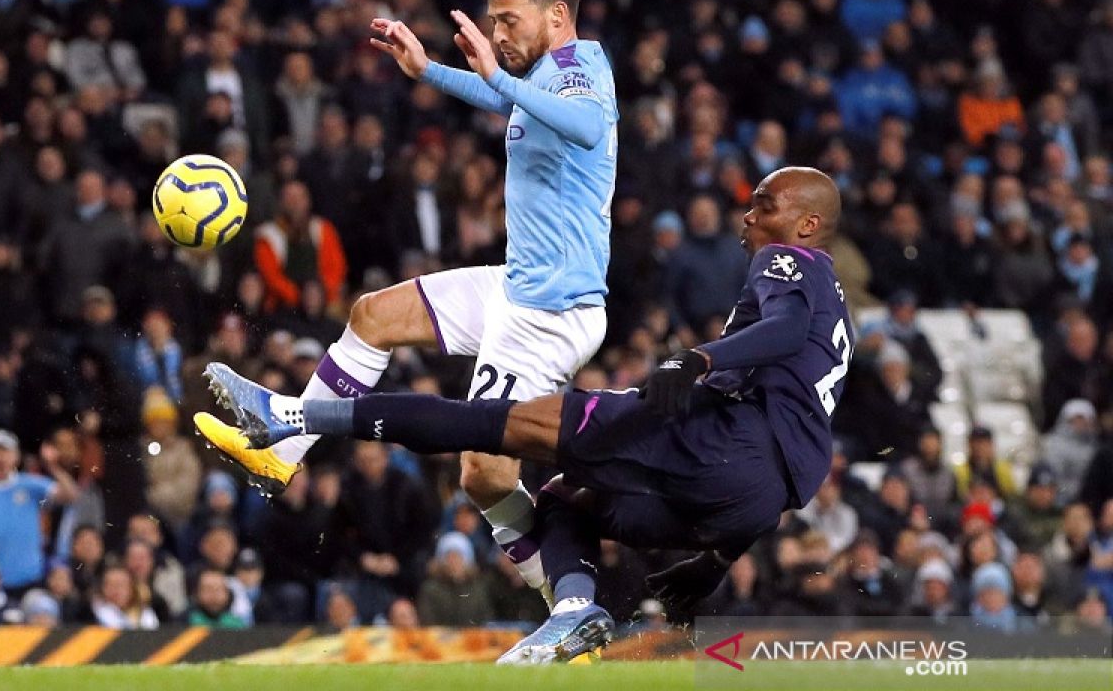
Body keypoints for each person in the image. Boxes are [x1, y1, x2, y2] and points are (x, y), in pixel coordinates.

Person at [206, 167, 850, 663]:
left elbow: (785, 327)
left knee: (498, 425)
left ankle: (291, 415)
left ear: (807, 225)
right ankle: (574, 608)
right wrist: (713, 562)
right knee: (566, 498)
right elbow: (790, 440)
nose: (749, 213)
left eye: (765, 204)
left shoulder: (790, 263)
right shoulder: (839, 314)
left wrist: (698, 361)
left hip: (717, 442)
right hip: (750, 503)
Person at [197, 0, 618, 607]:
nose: (499, 33)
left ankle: (568, 601)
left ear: (558, 16)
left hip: (552, 312)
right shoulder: (539, 78)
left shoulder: (582, 63)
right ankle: (281, 451)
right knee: (374, 316)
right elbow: (506, 100)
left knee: (481, 472)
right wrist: (430, 72)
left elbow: (590, 129)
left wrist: (500, 79)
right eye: (495, 20)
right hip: (516, 288)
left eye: (509, 20)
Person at [0, 429, 78, 595]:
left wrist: (52, 466)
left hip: (31, 577)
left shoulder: (31, 484)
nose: (0, 458)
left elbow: (70, 495)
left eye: (5, 452)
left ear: (16, 456)